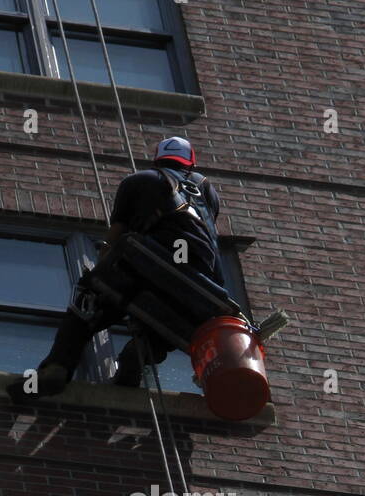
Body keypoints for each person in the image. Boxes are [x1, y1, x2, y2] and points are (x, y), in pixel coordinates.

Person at [18, 136, 223, 398]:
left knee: (88, 302)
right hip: (198, 277)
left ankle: (57, 366)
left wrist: (99, 272)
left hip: (149, 261)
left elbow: (116, 235)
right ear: (191, 163)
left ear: (157, 159)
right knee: (165, 320)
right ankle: (139, 352)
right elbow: (210, 237)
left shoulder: (139, 181)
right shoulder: (207, 190)